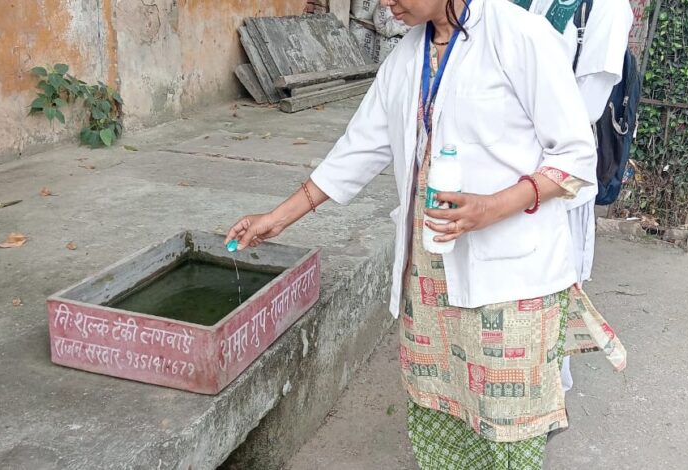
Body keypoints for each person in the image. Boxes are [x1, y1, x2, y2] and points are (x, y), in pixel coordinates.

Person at [225, 0, 626, 468]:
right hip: (430, 281)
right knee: (441, 427)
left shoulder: (520, 36)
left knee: (508, 438)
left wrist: (493, 206)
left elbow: (576, 158)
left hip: (510, 287)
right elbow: (356, 150)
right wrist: (278, 217)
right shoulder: (406, 57)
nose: (384, 3)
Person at [511, 0, 634, 394]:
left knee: (547, 301)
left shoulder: (606, 9)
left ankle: (547, 399)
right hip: (502, 178)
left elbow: (584, 112)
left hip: (555, 189)